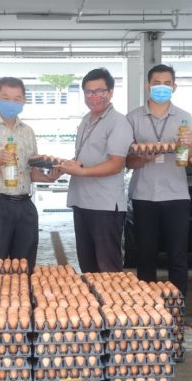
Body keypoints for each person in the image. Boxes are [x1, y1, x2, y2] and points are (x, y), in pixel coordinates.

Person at [0, 77, 61, 269]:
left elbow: (30, 172)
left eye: (17, 98)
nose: (11, 102)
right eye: (6, 98)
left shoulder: (27, 132)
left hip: (24, 205)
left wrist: (48, 177)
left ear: (24, 101)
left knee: (25, 266)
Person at [125, 64, 192, 294]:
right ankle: (149, 309)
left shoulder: (184, 117)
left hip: (176, 195)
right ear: (148, 85)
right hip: (144, 194)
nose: (162, 87)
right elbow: (127, 162)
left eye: (167, 83)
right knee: (146, 256)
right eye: (157, 83)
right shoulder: (133, 118)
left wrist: (186, 147)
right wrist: (143, 158)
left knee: (177, 256)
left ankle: (177, 307)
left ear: (174, 87)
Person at [56, 68, 133, 273]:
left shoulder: (118, 122)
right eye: (89, 92)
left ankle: (109, 297)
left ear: (111, 92)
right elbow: (84, 158)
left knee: (108, 268)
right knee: (88, 266)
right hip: (81, 202)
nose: (94, 96)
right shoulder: (85, 120)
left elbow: (116, 164)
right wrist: (66, 166)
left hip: (105, 206)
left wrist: (81, 172)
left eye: (100, 91)